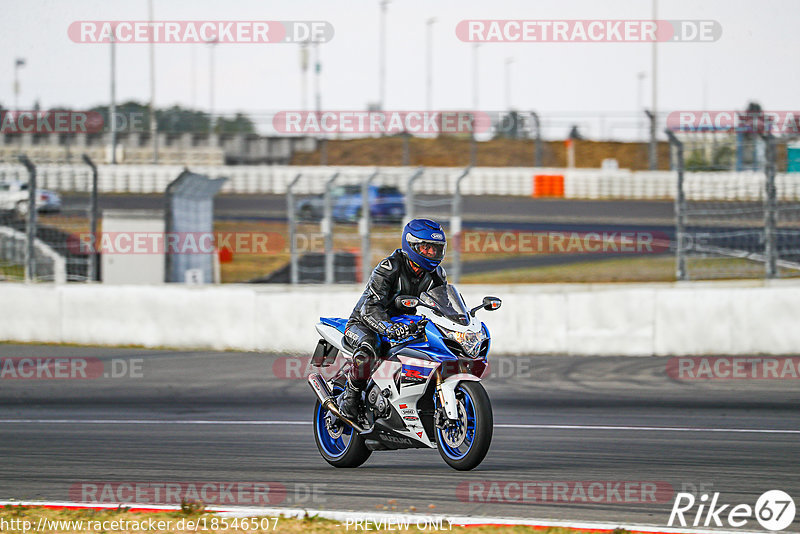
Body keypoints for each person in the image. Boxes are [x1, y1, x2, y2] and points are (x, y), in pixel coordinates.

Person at [337, 218, 447, 420]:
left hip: (405, 325)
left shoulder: (437, 274)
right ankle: (350, 399)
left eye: (436, 249)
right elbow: (369, 308)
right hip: (365, 323)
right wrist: (389, 328)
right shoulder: (389, 268)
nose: (432, 253)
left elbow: (444, 306)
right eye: (427, 248)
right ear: (412, 246)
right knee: (370, 346)